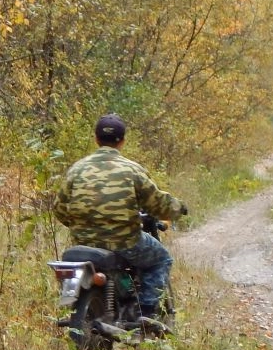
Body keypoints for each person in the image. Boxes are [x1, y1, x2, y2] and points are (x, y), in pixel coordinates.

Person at [52, 113, 187, 319]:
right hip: (125, 242)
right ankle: (147, 313)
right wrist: (178, 209)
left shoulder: (76, 170)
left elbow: (60, 209)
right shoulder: (132, 169)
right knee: (161, 259)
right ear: (122, 141)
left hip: (84, 243)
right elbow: (157, 203)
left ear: (96, 139)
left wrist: (83, 227)